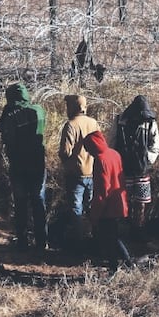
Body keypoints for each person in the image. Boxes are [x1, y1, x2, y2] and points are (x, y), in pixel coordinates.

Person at [0, 83, 48, 252]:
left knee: (21, 203)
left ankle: (22, 240)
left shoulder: (12, 115)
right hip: (38, 163)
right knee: (38, 202)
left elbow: (3, 132)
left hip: (19, 164)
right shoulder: (39, 110)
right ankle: (42, 241)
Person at [83, 130, 133, 271]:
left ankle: (116, 267)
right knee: (114, 236)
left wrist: (95, 213)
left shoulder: (100, 160)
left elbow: (102, 190)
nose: (88, 153)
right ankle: (127, 264)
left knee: (109, 239)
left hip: (108, 206)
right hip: (120, 202)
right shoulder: (114, 153)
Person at [114, 95, 159, 236]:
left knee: (141, 202)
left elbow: (156, 145)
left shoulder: (150, 123)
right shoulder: (120, 122)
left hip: (142, 169)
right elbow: (112, 141)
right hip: (123, 169)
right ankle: (124, 230)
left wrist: (147, 159)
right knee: (124, 200)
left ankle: (138, 229)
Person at [58, 95, 101, 248]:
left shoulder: (71, 125)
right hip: (93, 171)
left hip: (76, 173)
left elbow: (65, 151)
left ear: (72, 107)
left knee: (76, 208)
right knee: (92, 208)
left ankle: (78, 243)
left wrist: (65, 163)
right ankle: (97, 238)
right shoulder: (93, 123)